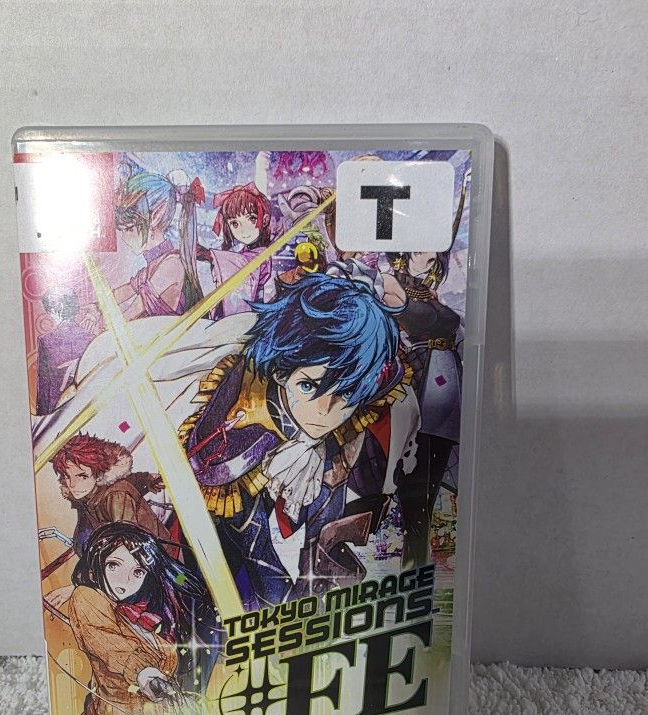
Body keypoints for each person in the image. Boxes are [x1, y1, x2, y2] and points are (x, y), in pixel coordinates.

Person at [180, 274, 420, 608]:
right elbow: (256, 551)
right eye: (308, 386)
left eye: (345, 394)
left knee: (330, 487)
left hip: (310, 484)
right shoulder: (242, 416)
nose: (324, 410)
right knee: (257, 581)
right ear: (281, 372)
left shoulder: (364, 383)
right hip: (234, 491)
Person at [68, 522, 215, 715]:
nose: (124, 581)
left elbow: (175, 577)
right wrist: (144, 672)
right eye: (113, 565)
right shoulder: (87, 598)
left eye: (137, 571)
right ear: (97, 564)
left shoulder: (148, 617)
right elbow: (110, 644)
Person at [391, 177, 467, 567]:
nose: (431, 254)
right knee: (411, 479)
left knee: (430, 478)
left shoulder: (435, 288)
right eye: (422, 248)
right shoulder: (394, 285)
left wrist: (463, 194)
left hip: (443, 386)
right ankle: (412, 557)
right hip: (413, 385)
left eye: (433, 248)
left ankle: (416, 558)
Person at [45, 434, 169, 609]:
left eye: (82, 476)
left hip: (156, 575)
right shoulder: (88, 496)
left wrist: (80, 587)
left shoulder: (116, 496)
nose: (72, 484)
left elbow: (127, 554)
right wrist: (147, 479)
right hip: (118, 575)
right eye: (66, 476)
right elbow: (132, 480)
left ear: (99, 474)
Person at [83, 157, 203, 328]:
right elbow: (125, 291)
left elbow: (131, 313)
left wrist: (100, 325)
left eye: (129, 229)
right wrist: (97, 307)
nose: (124, 237)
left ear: (156, 216)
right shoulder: (153, 266)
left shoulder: (172, 265)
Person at [197, 183, 275, 318]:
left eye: (251, 219)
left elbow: (242, 264)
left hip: (253, 314)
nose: (243, 230)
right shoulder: (246, 251)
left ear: (265, 220)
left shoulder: (261, 254)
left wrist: (209, 255)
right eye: (235, 223)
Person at [35, 287, 93, 414]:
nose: (49, 314)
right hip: (85, 408)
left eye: (49, 309)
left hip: (57, 411)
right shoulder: (91, 338)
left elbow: (44, 388)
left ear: (58, 308)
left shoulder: (46, 341)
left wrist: (43, 417)